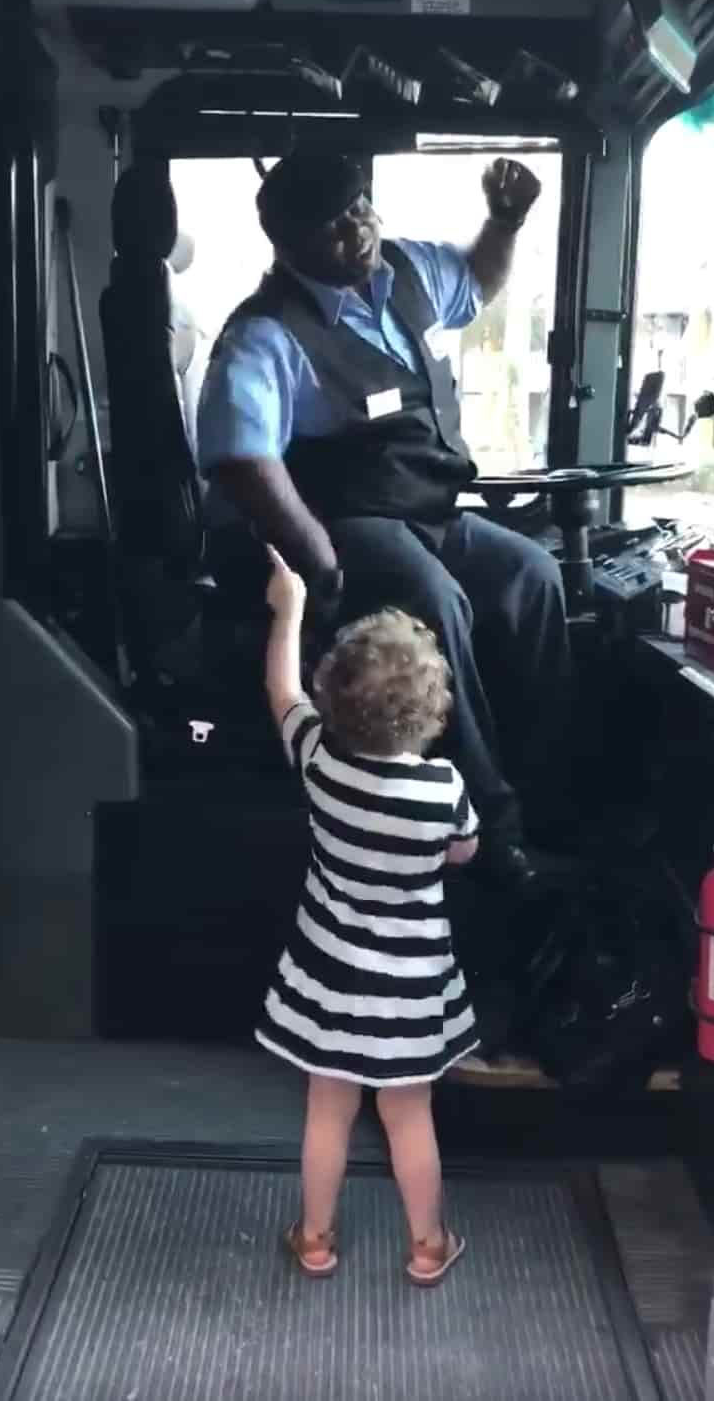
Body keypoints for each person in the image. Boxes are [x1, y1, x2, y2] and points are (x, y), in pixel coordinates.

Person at [198, 150, 571, 888]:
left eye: (361, 204)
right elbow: (242, 460)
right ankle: (491, 836)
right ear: (289, 243)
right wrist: (321, 564)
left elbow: (477, 282)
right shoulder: (265, 334)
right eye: (333, 222)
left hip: (431, 510)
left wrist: (503, 221)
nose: (357, 225)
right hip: (348, 519)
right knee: (435, 602)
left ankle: (556, 796)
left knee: (534, 575)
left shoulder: (405, 272)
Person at [258, 546, 479, 1285]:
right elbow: (464, 851)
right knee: (407, 1116)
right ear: (428, 711)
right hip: (409, 988)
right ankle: (427, 1244)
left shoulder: (319, 759)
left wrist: (287, 611)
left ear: (334, 699)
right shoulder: (441, 787)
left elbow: (280, 689)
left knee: (328, 1109)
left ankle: (315, 1238)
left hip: (329, 980)